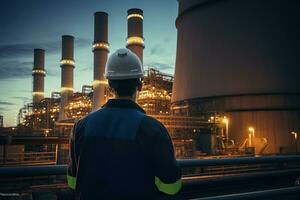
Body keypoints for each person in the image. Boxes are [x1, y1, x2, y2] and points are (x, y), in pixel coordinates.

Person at [67, 48, 182, 199]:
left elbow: (73, 182)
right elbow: (171, 186)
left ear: (109, 85)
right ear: (140, 85)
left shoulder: (81, 126)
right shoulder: (153, 129)